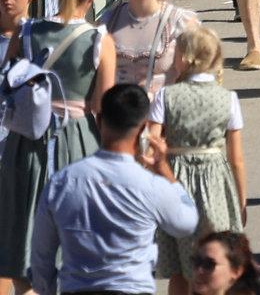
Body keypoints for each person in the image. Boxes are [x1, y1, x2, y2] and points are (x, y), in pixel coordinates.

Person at [25, 84, 200, 295]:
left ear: (99, 121)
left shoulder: (63, 182)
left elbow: (42, 255)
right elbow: (186, 223)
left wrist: (47, 289)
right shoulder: (150, 185)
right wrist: (165, 171)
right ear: (143, 128)